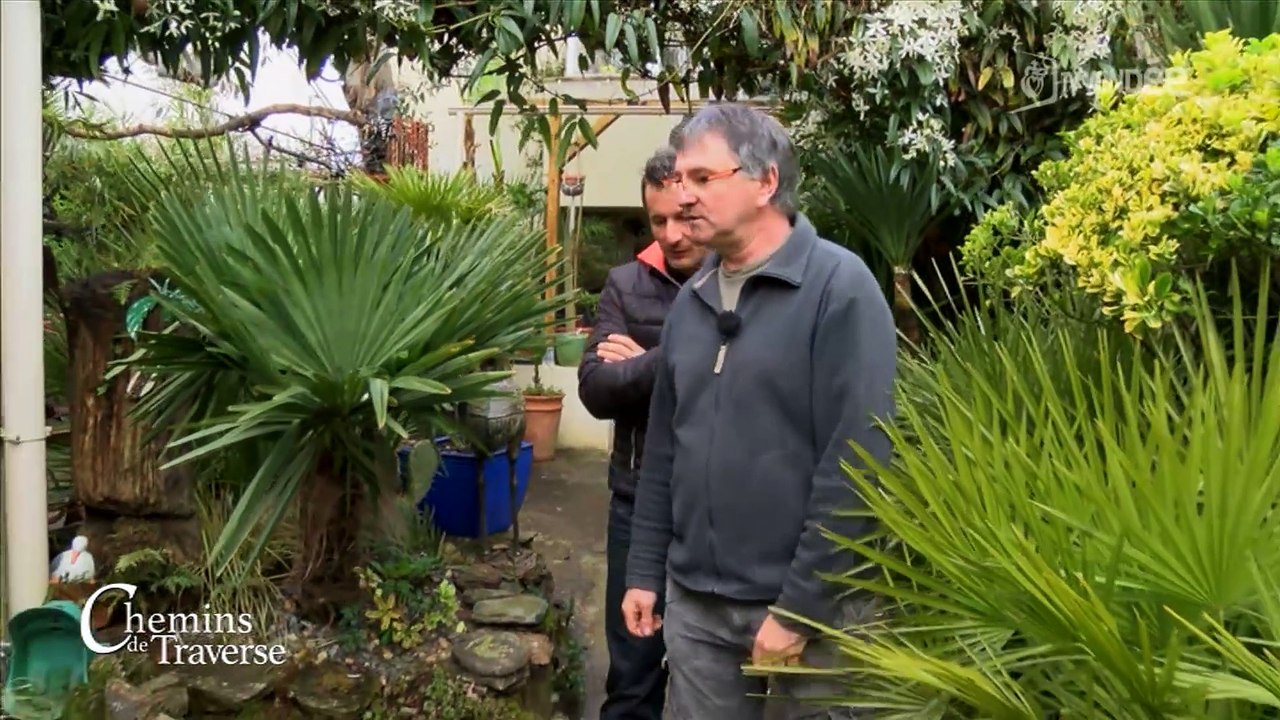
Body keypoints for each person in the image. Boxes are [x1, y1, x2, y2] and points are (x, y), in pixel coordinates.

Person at [620, 103, 897, 719]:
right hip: (698, 612)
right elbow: (665, 449)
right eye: (678, 179)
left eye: (702, 178)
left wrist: (799, 608)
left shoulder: (839, 289)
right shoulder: (692, 303)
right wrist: (644, 571)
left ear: (765, 181)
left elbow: (858, 461)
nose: (683, 194)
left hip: (811, 617)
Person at [578, 146, 710, 720]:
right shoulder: (625, 284)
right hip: (636, 505)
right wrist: (678, 360)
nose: (674, 234)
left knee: (709, 673)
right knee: (632, 673)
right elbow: (596, 390)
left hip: (714, 509)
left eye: (684, 218)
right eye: (659, 221)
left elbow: (737, 386)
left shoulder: (739, 282)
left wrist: (645, 360)